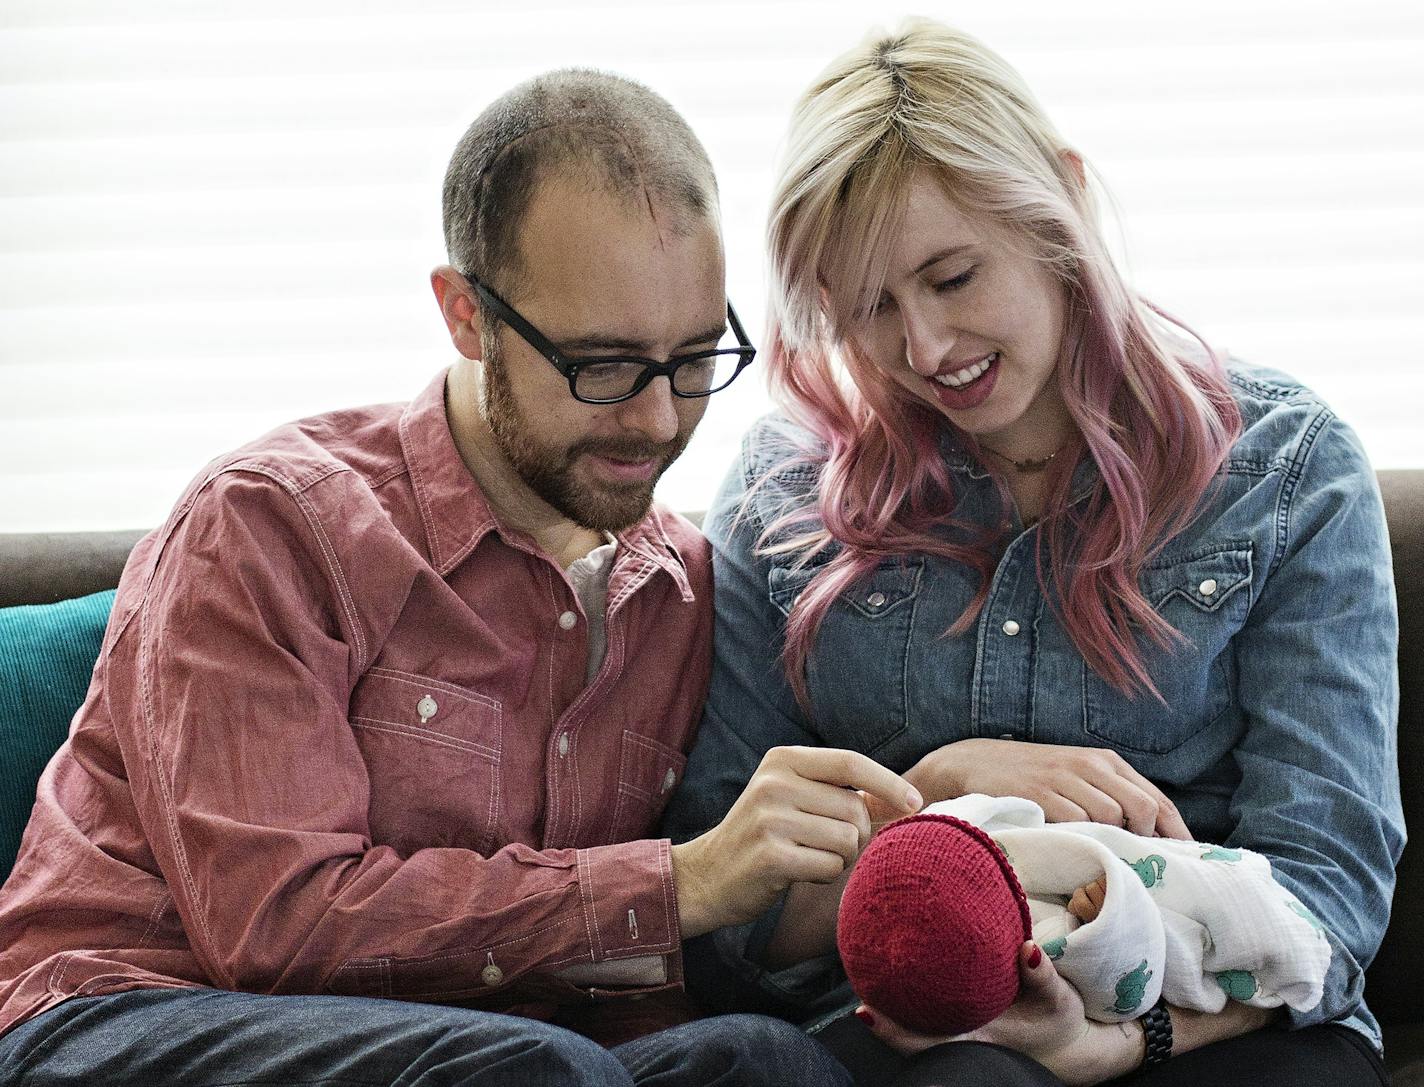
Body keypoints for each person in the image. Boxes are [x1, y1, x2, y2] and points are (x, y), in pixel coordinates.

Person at [0, 68, 917, 1086]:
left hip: (504, 1044)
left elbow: (644, 977)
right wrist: (679, 882)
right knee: (537, 1069)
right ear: (465, 316)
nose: (658, 422)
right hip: (125, 1013)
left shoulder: (685, 592)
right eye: (601, 366)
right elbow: (271, 928)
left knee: (763, 1062)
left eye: (694, 359)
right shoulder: (270, 524)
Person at [662, 18, 1401, 1087]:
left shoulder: (1284, 468)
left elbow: (1321, 897)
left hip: (1214, 1015)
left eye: (952, 276)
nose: (922, 348)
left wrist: (1111, 1041)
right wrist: (928, 800)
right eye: (868, 306)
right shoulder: (783, 496)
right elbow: (732, 924)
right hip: (917, 1020)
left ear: (1058, 205)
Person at [836, 797, 1331, 1039]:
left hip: (1222, 1034)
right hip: (878, 997)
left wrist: (1122, 1046)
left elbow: (1331, 879)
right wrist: (934, 780)